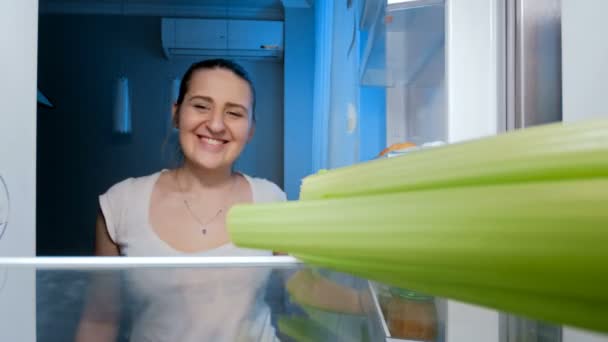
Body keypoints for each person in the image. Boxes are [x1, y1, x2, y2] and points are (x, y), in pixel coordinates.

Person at [76, 58, 286, 342]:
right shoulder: (121, 204)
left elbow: (308, 289)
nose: (215, 124)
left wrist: (362, 299)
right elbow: (99, 321)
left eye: (234, 113)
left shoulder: (272, 200)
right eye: (201, 106)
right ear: (176, 114)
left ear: (250, 129)